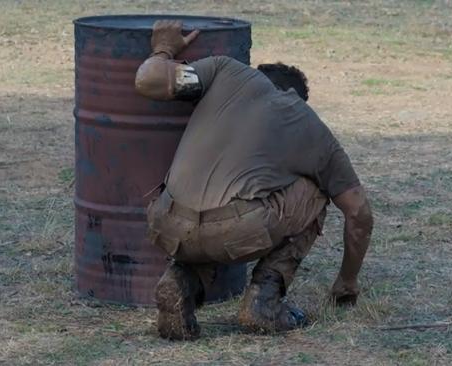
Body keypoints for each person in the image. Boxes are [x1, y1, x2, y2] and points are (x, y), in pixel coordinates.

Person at [135, 20, 373, 341]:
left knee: (208, 210)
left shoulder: (223, 71)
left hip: (166, 220)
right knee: (318, 190)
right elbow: (359, 212)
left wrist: (163, 48)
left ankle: (181, 282)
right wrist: (347, 280)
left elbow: (148, 80)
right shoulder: (304, 120)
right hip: (235, 231)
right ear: (296, 97)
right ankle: (265, 300)